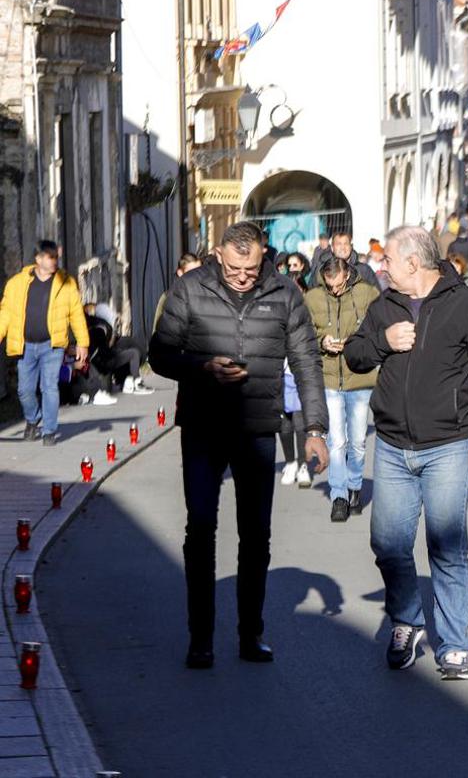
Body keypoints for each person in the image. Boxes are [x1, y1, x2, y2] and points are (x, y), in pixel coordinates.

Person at [149, 222, 327, 669]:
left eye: (250, 269)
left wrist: (315, 429)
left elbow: (307, 360)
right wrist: (202, 366)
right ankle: (200, 639)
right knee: (200, 528)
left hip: (258, 428)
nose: (243, 277)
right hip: (203, 427)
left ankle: (251, 633)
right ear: (218, 255)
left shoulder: (285, 292)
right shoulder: (190, 288)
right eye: (233, 269)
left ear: (263, 255)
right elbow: (160, 354)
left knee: (256, 534)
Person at [343, 226, 468, 681]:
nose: (381, 267)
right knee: (388, 543)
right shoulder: (384, 306)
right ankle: (407, 620)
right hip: (393, 446)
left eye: (387, 260)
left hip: (449, 445)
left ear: (413, 263)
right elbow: (356, 355)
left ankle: (454, 644)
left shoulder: (466, 304)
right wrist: (384, 341)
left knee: (446, 545)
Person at [305, 258, 380, 523]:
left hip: (359, 377)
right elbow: (305, 334)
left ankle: (355, 486)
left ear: (347, 275)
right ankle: (339, 495)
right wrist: (322, 341)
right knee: (337, 441)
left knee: (357, 441)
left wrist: (356, 342)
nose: (334, 290)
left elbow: (379, 329)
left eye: (338, 285)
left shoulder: (368, 293)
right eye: (329, 286)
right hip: (328, 379)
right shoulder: (313, 298)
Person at [2, 240, 90, 445]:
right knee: (24, 391)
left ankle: (49, 431)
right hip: (25, 346)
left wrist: (83, 342)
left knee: (49, 387)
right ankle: (33, 419)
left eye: (56, 257)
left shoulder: (66, 283)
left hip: (52, 346)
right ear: (38, 258)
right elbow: (5, 313)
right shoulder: (16, 284)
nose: (54, 261)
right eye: (50, 257)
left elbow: (76, 314)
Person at [312, 229, 380, 289]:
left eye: (346, 244)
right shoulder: (321, 270)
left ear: (351, 246)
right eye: (339, 244)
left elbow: (376, 295)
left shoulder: (364, 271)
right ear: (332, 248)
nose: (343, 248)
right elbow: (313, 293)